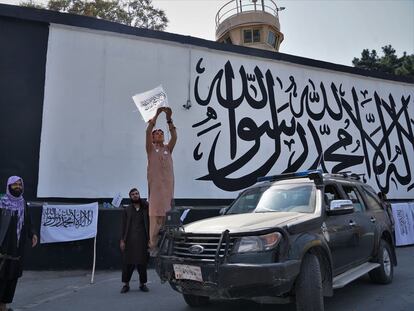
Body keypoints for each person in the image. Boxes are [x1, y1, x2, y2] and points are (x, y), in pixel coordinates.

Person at [0, 176, 38, 311]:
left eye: (19, 184)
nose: (17, 187)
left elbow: (28, 222)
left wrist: (32, 233)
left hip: (17, 249)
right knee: (2, 277)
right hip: (3, 248)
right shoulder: (2, 203)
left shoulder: (23, 203)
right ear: (9, 186)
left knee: (12, 277)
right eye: (14, 184)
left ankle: (3, 305)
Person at [146, 107, 177, 254]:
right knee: (155, 218)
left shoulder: (167, 149)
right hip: (156, 191)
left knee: (167, 218)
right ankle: (153, 245)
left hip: (168, 191)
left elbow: (175, 136)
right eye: (156, 133)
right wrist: (156, 115)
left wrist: (169, 118)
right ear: (152, 138)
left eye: (161, 133)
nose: (159, 134)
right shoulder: (151, 149)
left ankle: (167, 246)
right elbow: (147, 132)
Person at [120, 188, 150, 293]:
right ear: (130, 197)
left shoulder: (145, 208)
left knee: (142, 263)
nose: (135, 195)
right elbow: (123, 226)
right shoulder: (127, 210)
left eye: (137, 193)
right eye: (133, 194)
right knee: (128, 263)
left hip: (143, 241)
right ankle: (126, 285)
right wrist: (122, 240)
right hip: (129, 242)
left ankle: (142, 284)